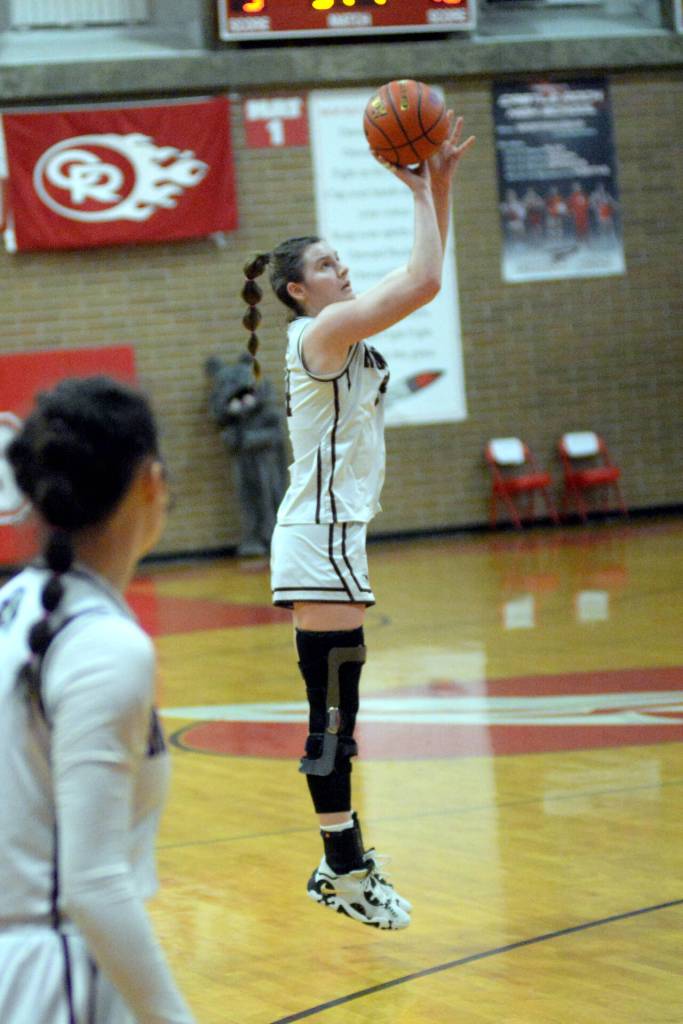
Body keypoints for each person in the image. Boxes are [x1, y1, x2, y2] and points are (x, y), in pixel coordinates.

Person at [240, 115, 475, 929]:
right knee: (333, 710)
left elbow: (419, 278)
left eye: (340, 259)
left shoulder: (338, 334)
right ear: (297, 291)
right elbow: (422, 283)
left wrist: (439, 188)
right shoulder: (323, 330)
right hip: (320, 538)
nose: (340, 270)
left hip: (331, 538)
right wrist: (423, 191)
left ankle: (341, 863)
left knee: (338, 706)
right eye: (325, 265)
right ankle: (341, 868)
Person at [0, 376, 195, 1023]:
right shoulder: (104, 645)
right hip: (56, 981)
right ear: (150, 481)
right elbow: (93, 884)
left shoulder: (14, 606)